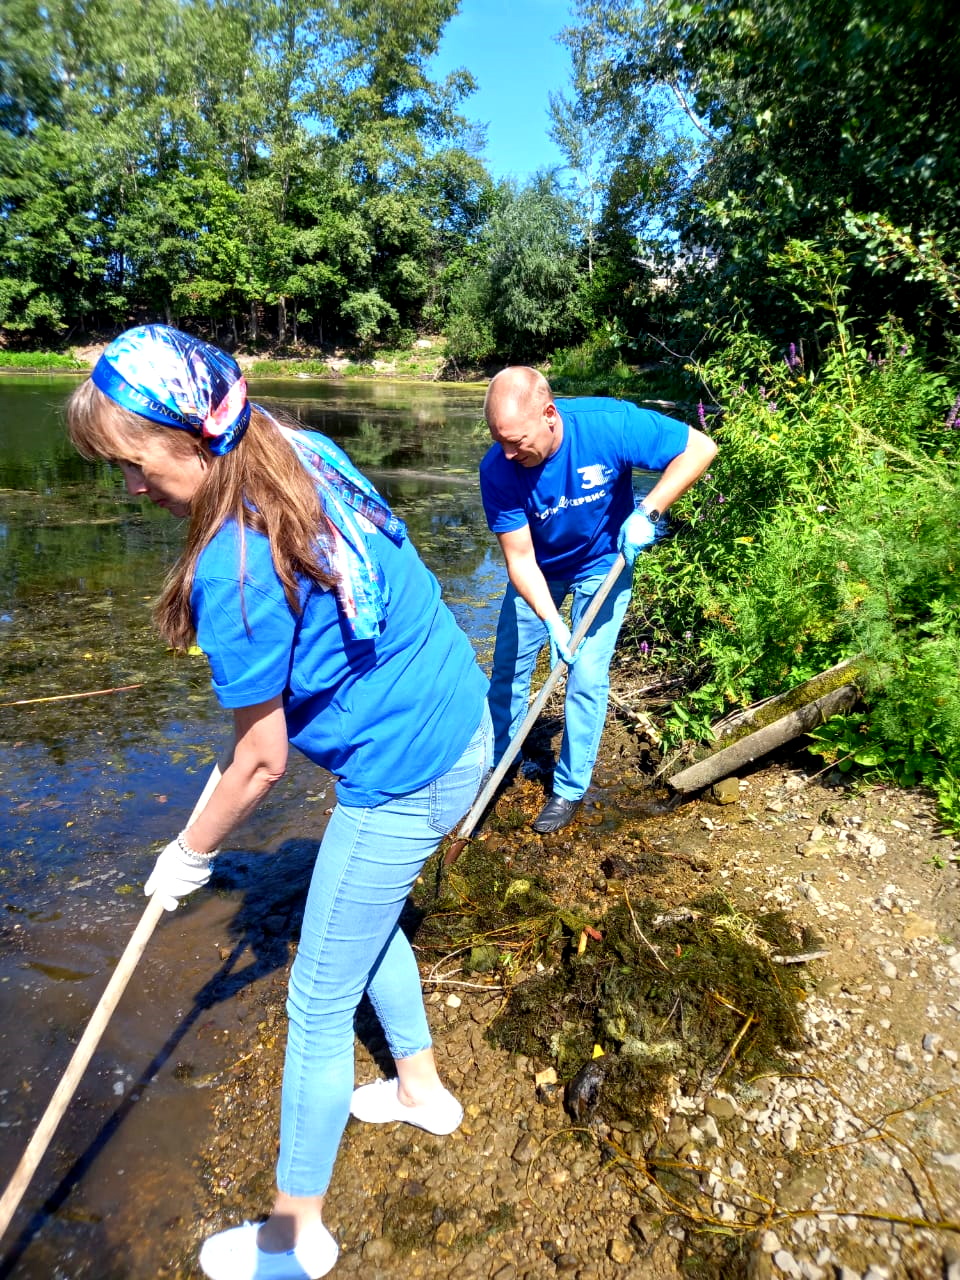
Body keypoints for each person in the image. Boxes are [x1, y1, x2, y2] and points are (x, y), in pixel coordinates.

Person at [66, 325, 492, 1280]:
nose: (128, 486)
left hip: (406, 774)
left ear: (194, 438)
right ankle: (421, 1090)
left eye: (134, 463)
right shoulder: (295, 447)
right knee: (362, 918)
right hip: (456, 723)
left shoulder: (234, 568)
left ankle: (295, 1238)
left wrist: (187, 853)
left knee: (314, 999)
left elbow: (258, 761)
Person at [479, 366, 716, 833]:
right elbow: (521, 562)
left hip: (603, 564)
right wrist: (552, 621)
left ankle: (569, 789)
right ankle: (501, 761)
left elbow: (700, 448)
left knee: (586, 675)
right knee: (508, 670)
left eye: (516, 440)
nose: (508, 452)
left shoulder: (608, 424)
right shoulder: (498, 469)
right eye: (499, 440)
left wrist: (649, 511)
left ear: (549, 415)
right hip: (539, 572)